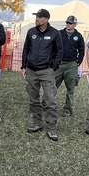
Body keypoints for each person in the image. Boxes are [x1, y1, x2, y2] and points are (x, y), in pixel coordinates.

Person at [21, 9, 63, 141]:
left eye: (39, 17)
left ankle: (51, 128)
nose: (37, 19)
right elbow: (26, 49)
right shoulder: (31, 32)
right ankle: (37, 123)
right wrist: (24, 66)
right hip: (31, 70)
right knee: (33, 99)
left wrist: (53, 67)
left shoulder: (54, 33)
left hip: (46, 71)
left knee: (50, 100)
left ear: (46, 19)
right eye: (36, 17)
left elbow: (59, 51)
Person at [55, 15, 86, 118]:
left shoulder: (78, 36)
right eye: (67, 22)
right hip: (59, 64)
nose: (68, 24)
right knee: (52, 86)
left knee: (70, 88)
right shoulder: (59, 33)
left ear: (75, 25)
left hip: (71, 65)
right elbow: (53, 47)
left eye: (70, 23)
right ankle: (47, 104)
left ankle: (67, 109)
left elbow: (81, 50)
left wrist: (78, 61)